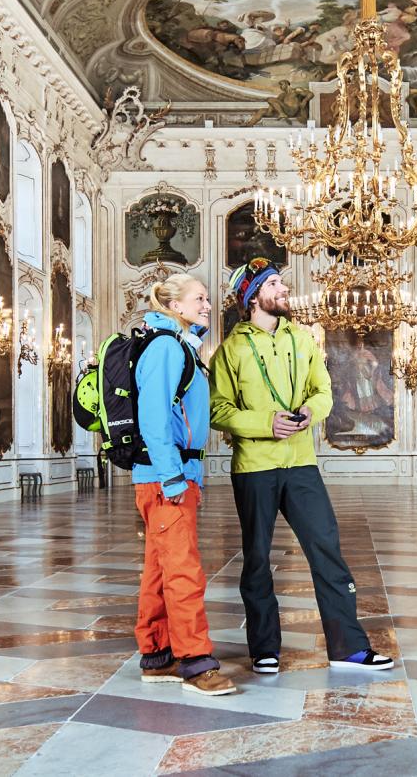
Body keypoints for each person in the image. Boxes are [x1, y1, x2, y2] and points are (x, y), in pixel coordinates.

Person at [210, 261, 394, 675]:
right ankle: (264, 649)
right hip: (254, 465)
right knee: (257, 556)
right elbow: (217, 409)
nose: (284, 288)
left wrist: (312, 411)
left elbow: (323, 389)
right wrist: (262, 424)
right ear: (253, 296)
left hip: (301, 464)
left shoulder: (302, 338)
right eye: (274, 284)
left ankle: (349, 647)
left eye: (281, 281)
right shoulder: (231, 350)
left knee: (327, 549)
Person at [132, 273, 238, 695]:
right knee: (183, 571)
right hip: (165, 477)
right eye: (200, 298)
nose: (208, 305)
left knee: (159, 569)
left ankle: (157, 655)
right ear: (175, 305)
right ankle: (196, 663)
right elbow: (153, 417)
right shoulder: (163, 348)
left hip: (174, 474)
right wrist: (173, 475)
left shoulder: (180, 346)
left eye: (208, 299)